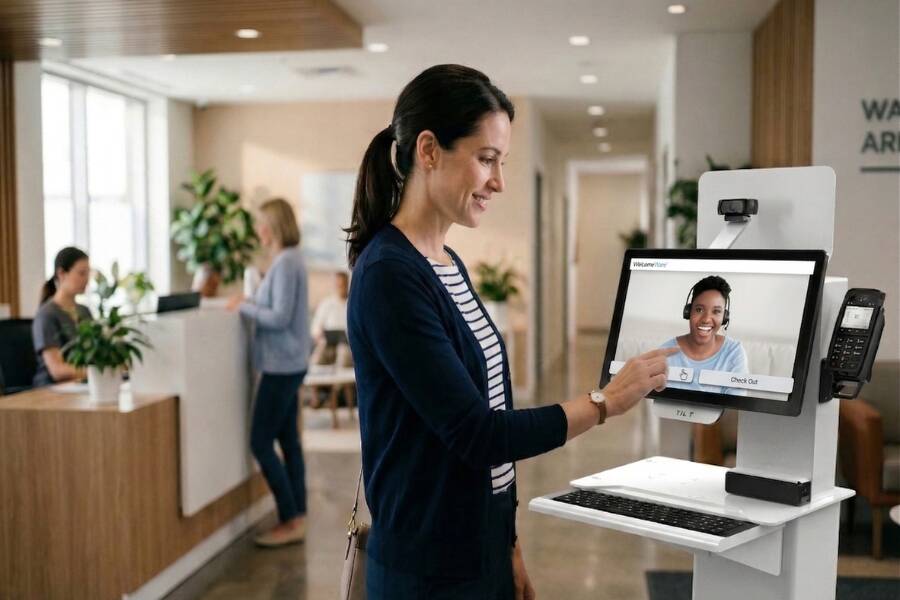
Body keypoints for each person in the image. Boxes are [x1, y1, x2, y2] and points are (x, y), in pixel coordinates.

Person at [345, 64, 676, 600]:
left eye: (502, 162)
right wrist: (606, 401)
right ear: (428, 151)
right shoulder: (389, 274)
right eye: (486, 159)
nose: (498, 181)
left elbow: (490, 412)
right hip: (429, 570)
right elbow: (479, 434)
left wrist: (508, 540)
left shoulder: (446, 261)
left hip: (481, 549)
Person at [227, 197, 311, 547]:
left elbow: (278, 317)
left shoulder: (287, 263)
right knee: (288, 440)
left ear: (273, 226)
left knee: (260, 442)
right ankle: (298, 515)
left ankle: (289, 518)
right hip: (288, 363)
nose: (257, 230)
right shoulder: (285, 262)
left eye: (261, 223)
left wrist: (245, 307)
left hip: (282, 366)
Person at [659, 275, 748, 394]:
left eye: (716, 311)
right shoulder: (665, 352)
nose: (706, 319)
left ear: (724, 317)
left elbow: (735, 408)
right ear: (688, 312)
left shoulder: (734, 352)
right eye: (699, 310)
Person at [32, 247, 92, 387]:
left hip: (81, 386)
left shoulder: (84, 311)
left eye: (88, 273)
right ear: (61, 273)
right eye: (81, 273)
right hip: (51, 390)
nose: (87, 280)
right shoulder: (47, 315)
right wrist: (96, 372)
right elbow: (57, 371)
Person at [309, 271, 351, 367]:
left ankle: (340, 381)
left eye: (343, 284)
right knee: (317, 356)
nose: (340, 287)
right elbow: (315, 327)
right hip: (327, 344)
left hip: (346, 345)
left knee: (343, 353)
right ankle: (315, 380)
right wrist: (319, 335)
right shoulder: (326, 304)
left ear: (347, 284)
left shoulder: (352, 304)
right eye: (338, 285)